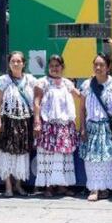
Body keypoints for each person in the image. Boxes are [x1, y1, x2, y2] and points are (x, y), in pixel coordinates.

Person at [33, 54, 80, 197]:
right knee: (48, 155)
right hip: (48, 125)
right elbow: (36, 102)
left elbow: (79, 95)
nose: (54, 68)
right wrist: (37, 121)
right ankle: (48, 186)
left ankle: (61, 186)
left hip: (64, 126)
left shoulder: (67, 83)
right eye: (52, 66)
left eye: (57, 66)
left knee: (62, 155)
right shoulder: (42, 82)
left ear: (62, 67)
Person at [78, 53, 112, 202]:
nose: (98, 67)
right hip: (91, 126)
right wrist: (82, 127)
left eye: (102, 65)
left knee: (108, 159)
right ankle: (94, 188)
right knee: (91, 160)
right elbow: (82, 109)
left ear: (108, 67)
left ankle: (104, 188)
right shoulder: (86, 85)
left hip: (107, 127)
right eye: (96, 64)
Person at [0, 51, 36, 197]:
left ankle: (18, 185)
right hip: (8, 121)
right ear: (9, 63)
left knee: (22, 153)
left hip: (25, 121)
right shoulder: (3, 80)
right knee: (6, 152)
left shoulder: (30, 80)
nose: (16, 64)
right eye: (13, 61)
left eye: (19, 61)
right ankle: (8, 186)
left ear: (24, 63)